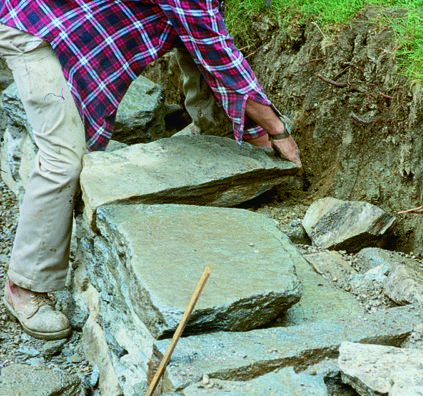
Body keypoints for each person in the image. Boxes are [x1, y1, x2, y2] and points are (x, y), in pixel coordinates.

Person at [0, 0, 302, 341]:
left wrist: (252, 132)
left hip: (79, 16)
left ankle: (217, 134)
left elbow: (202, 34)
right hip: (32, 25)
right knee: (63, 157)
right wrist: (276, 129)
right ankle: (24, 286)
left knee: (192, 31)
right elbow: (211, 43)